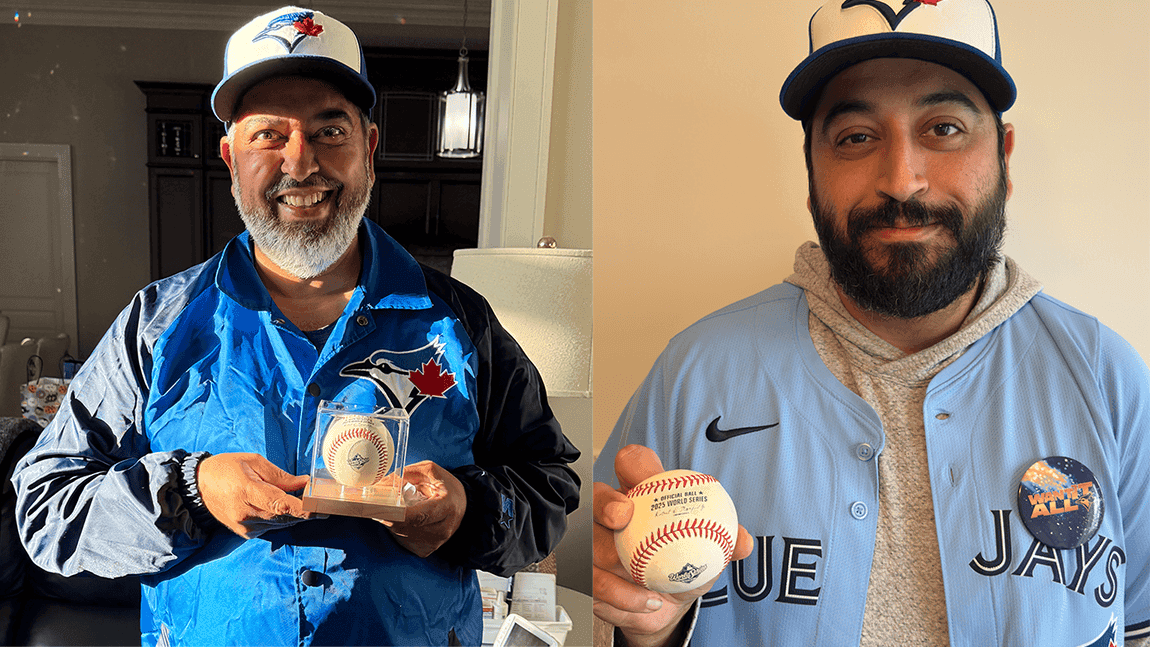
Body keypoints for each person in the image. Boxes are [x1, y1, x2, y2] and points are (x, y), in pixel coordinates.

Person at [12, 7, 580, 647]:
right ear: (230, 158)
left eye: (328, 131)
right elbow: (46, 508)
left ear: (368, 147)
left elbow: (548, 484)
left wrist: (469, 513)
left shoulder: (460, 323)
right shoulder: (156, 325)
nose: (300, 162)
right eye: (268, 136)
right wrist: (190, 489)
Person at [592, 1, 1149, 646]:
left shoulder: (1105, 377)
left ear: (1005, 156)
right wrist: (645, 632)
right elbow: (602, 609)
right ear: (810, 175)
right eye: (856, 137)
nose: (902, 181)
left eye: (943, 129)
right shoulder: (694, 375)